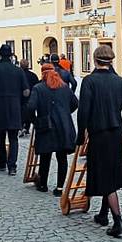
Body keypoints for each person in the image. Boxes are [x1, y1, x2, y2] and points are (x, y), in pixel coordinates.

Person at [76, 45, 122, 238]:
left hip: (99, 134)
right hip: (117, 134)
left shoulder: (89, 81)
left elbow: (83, 111)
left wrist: (80, 135)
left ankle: (118, 221)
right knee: (109, 172)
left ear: (94, 60)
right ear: (111, 60)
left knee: (105, 176)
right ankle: (103, 214)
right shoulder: (120, 82)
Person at [26, 63, 78, 195]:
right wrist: (65, 113)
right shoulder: (64, 87)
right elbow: (75, 103)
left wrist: (35, 120)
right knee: (62, 158)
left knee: (45, 156)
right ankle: (60, 188)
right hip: (63, 126)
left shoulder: (38, 88)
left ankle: (43, 184)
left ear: (42, 73)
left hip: (46, 125)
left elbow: (30, 107)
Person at [0, 44, 30, 176]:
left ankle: (2, 162)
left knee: (0, 136)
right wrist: (21, 103)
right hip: (14, 107)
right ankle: (12, 166)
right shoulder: (18, 71)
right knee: (14, 138)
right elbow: (26, 92)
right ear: (11, 56)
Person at [19, 59, 40, 137]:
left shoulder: (18, 75)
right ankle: (27, 128)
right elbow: (37, 86)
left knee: (20, 113)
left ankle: (21, 127)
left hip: (20, 98)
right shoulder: (33, 75)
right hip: (31, 97)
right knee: (30, 112)